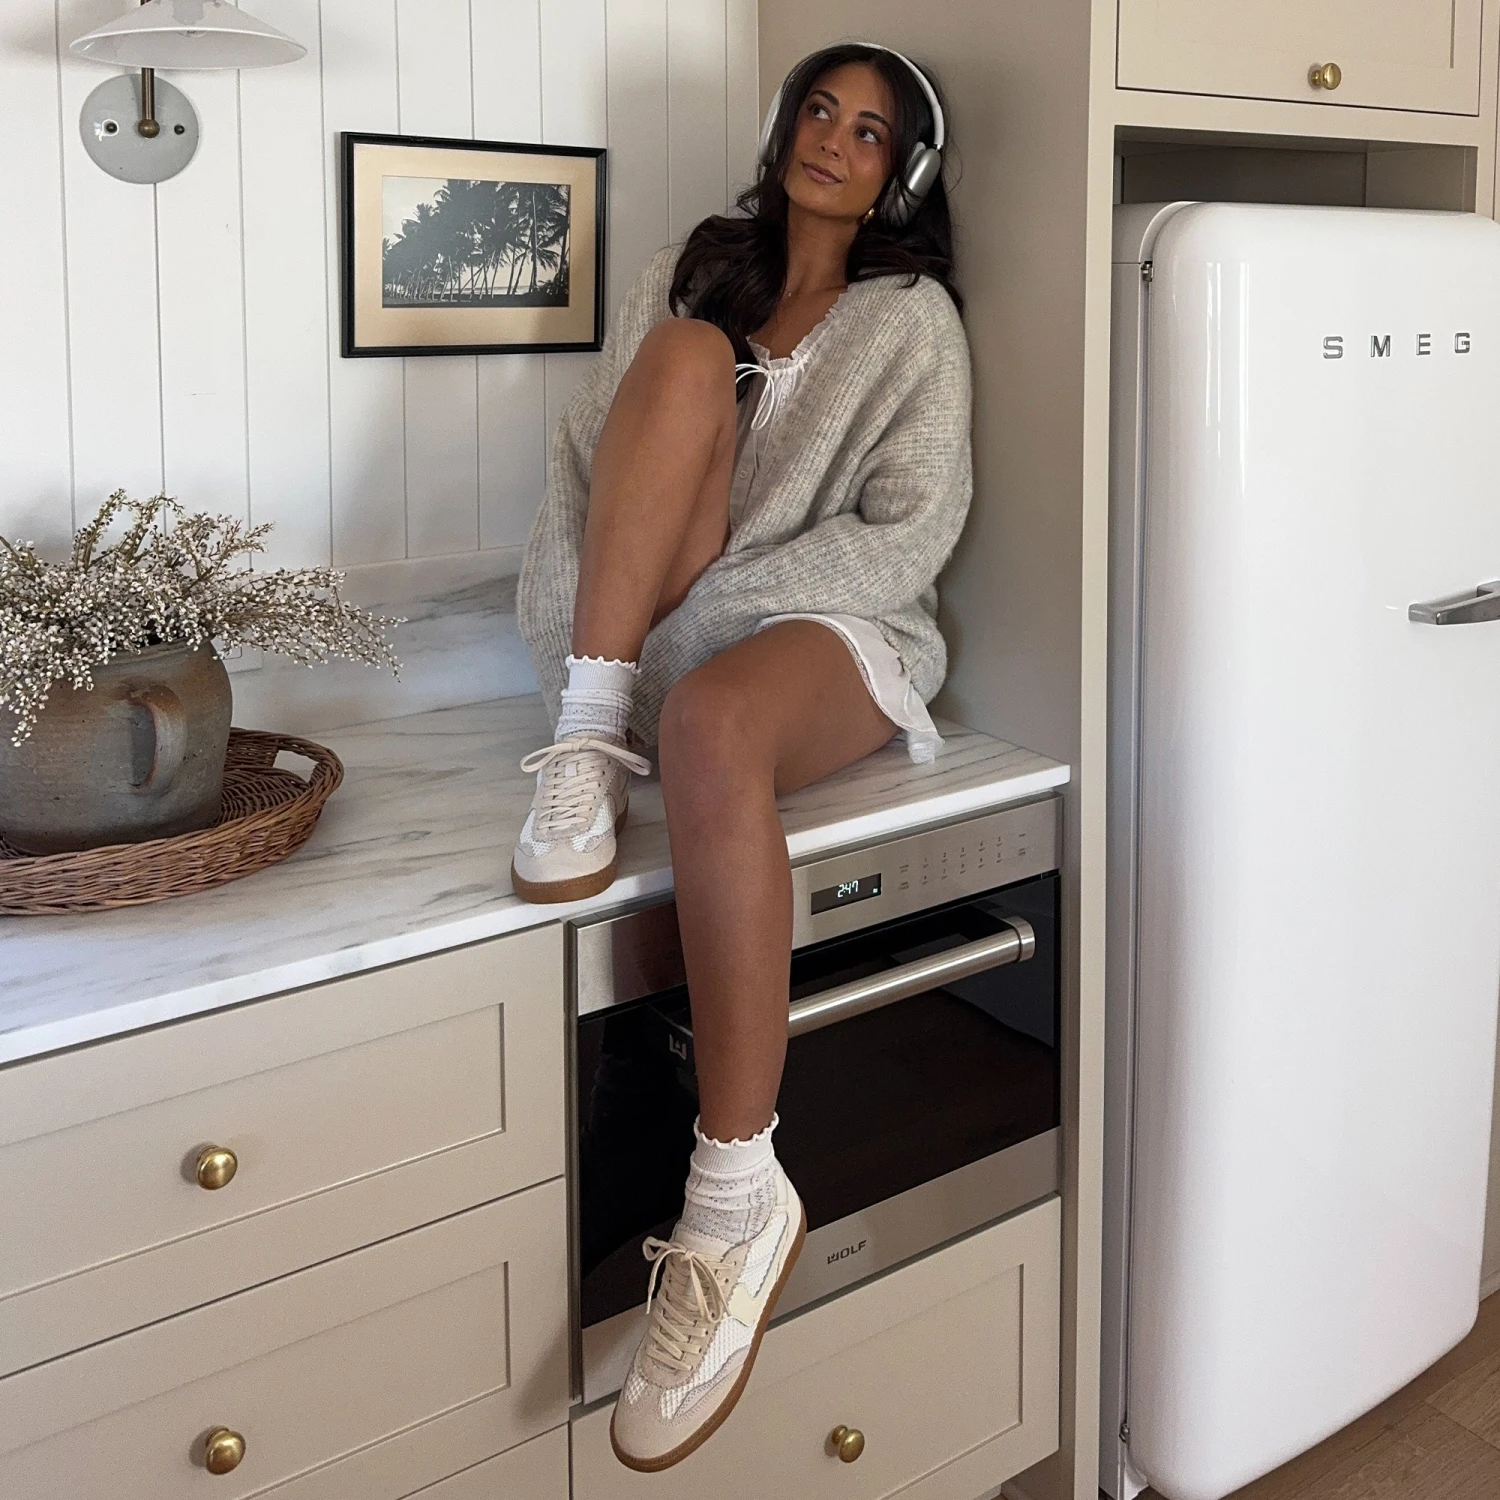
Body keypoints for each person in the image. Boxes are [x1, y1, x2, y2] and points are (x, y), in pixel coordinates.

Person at [514, 41, 972, 1471]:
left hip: (831, 629)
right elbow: (588, 477)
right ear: (784, 129)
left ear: (903, 173)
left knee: (712, 723)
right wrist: (601, 635)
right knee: (684, 353)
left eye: (869, 129)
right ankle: (588, 732)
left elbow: (909, 530)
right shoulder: (686, 274)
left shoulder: (914, 323)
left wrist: (713, 616)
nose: (833, 139)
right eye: (818, 111)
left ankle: (732, 1201)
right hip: (643, 628)